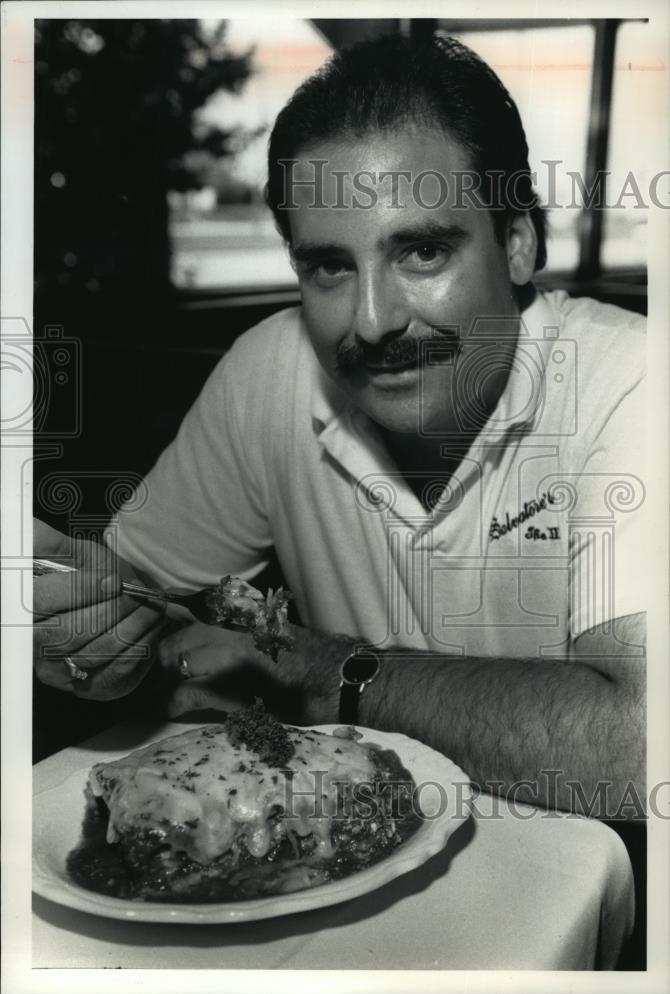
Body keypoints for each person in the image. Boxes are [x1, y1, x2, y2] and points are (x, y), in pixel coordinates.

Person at [33, 34, 646, 818]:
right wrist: (91, 647)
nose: (371, 320)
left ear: (518, 242)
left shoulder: (634, 381)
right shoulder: (269, 370)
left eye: (422, 251)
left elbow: (638, 747)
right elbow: (141, 610)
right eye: (328, 266)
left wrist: (319, 669)